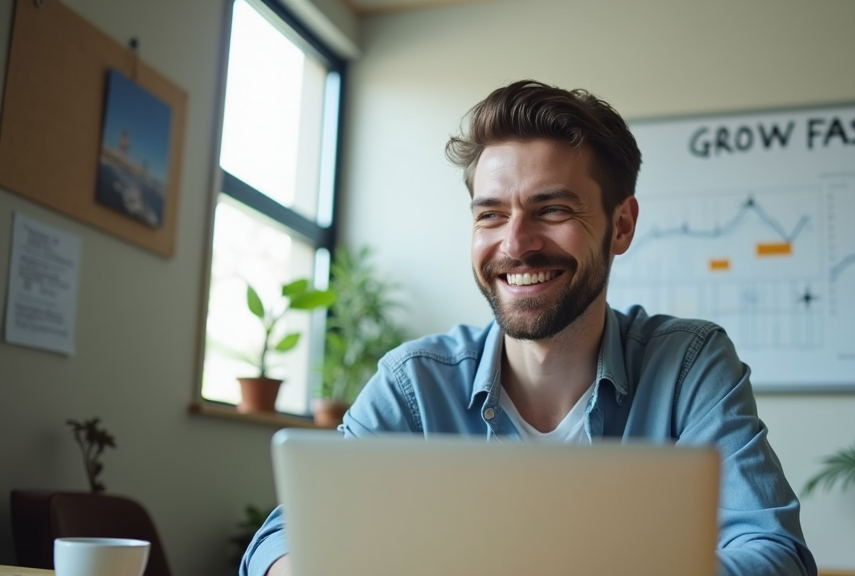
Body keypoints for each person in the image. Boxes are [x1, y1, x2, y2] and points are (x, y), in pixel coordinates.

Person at [241, 80, 817, 576]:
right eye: (491, 214)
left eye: (553, 210)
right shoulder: (414, 384)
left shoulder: (689, 364)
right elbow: (280, 540)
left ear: (620, 226)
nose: (514, 244)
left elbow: (773, 552)